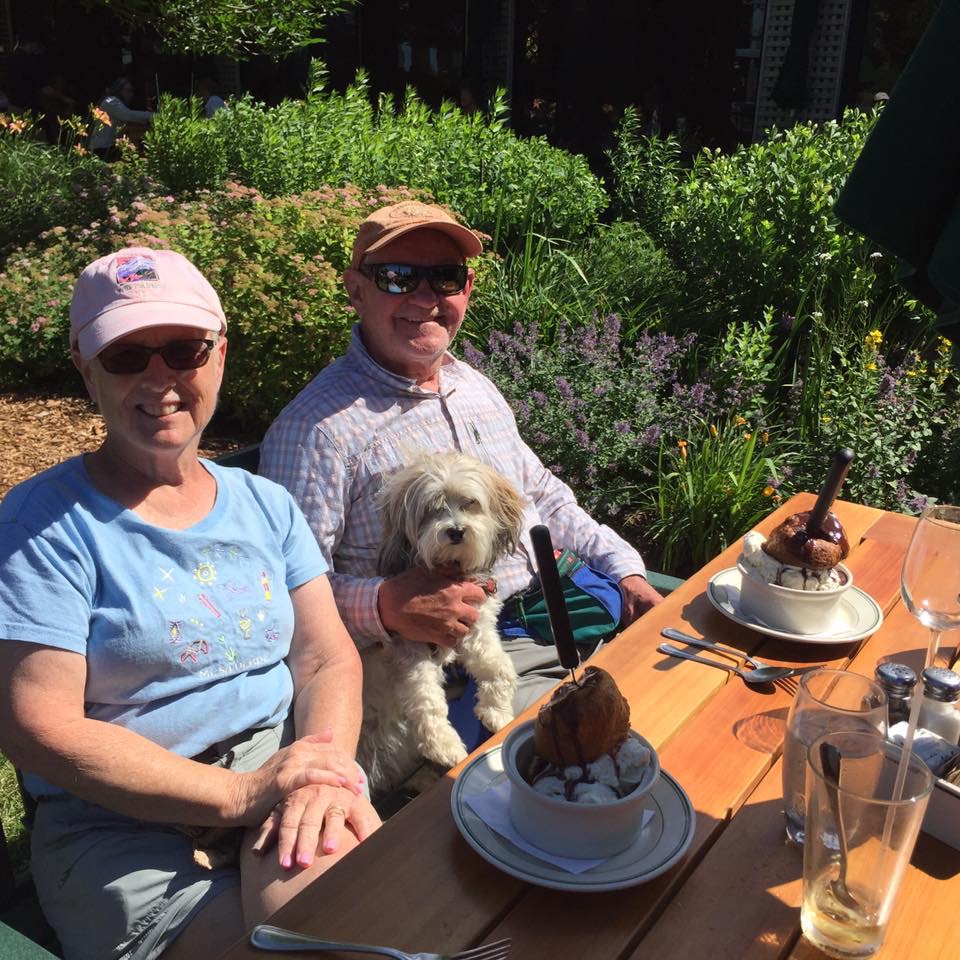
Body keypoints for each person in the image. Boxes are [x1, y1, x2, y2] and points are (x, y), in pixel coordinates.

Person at [0, 248, 380, 960]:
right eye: (126, 357)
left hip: (280, 769)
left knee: (363, 926)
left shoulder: (266, 506)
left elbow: (326, 658)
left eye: (182, 350)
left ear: (219, 354)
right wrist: (239, 796)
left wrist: (320, 767)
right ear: (86, 370)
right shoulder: (43, 526)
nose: (159, 379)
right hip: (121, 826)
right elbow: (35, 727)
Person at [259, 201, 664, 749]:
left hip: (551, 615)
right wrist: (386, 605)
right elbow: (284, 595)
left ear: (467, 287)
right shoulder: (316, 430)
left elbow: (542, 494)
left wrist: (627, 571)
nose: (425, 297)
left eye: (444, 277)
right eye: (398, 277)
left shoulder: (473, 387)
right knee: (610, 753)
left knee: (669, 698)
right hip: (447, 667)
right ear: (356, 290)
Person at [89, 77, 153, 160]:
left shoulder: (113, 102)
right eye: (129, 90)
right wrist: (152, 115)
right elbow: (129, 115)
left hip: (104, 146)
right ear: (119, 90)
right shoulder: (111, 102)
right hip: (102, 148)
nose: (131, 94)